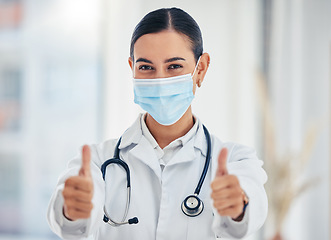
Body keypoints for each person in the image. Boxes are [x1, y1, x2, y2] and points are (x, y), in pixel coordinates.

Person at [47, 7, 267, 239]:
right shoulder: (97, 161)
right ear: (132, 69)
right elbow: (69, 224)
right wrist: (71, 210)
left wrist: (238, 207)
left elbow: (246, 217)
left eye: (174, 66)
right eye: (146, 67)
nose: (160, 79)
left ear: (200, 69)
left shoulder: (236, 160)